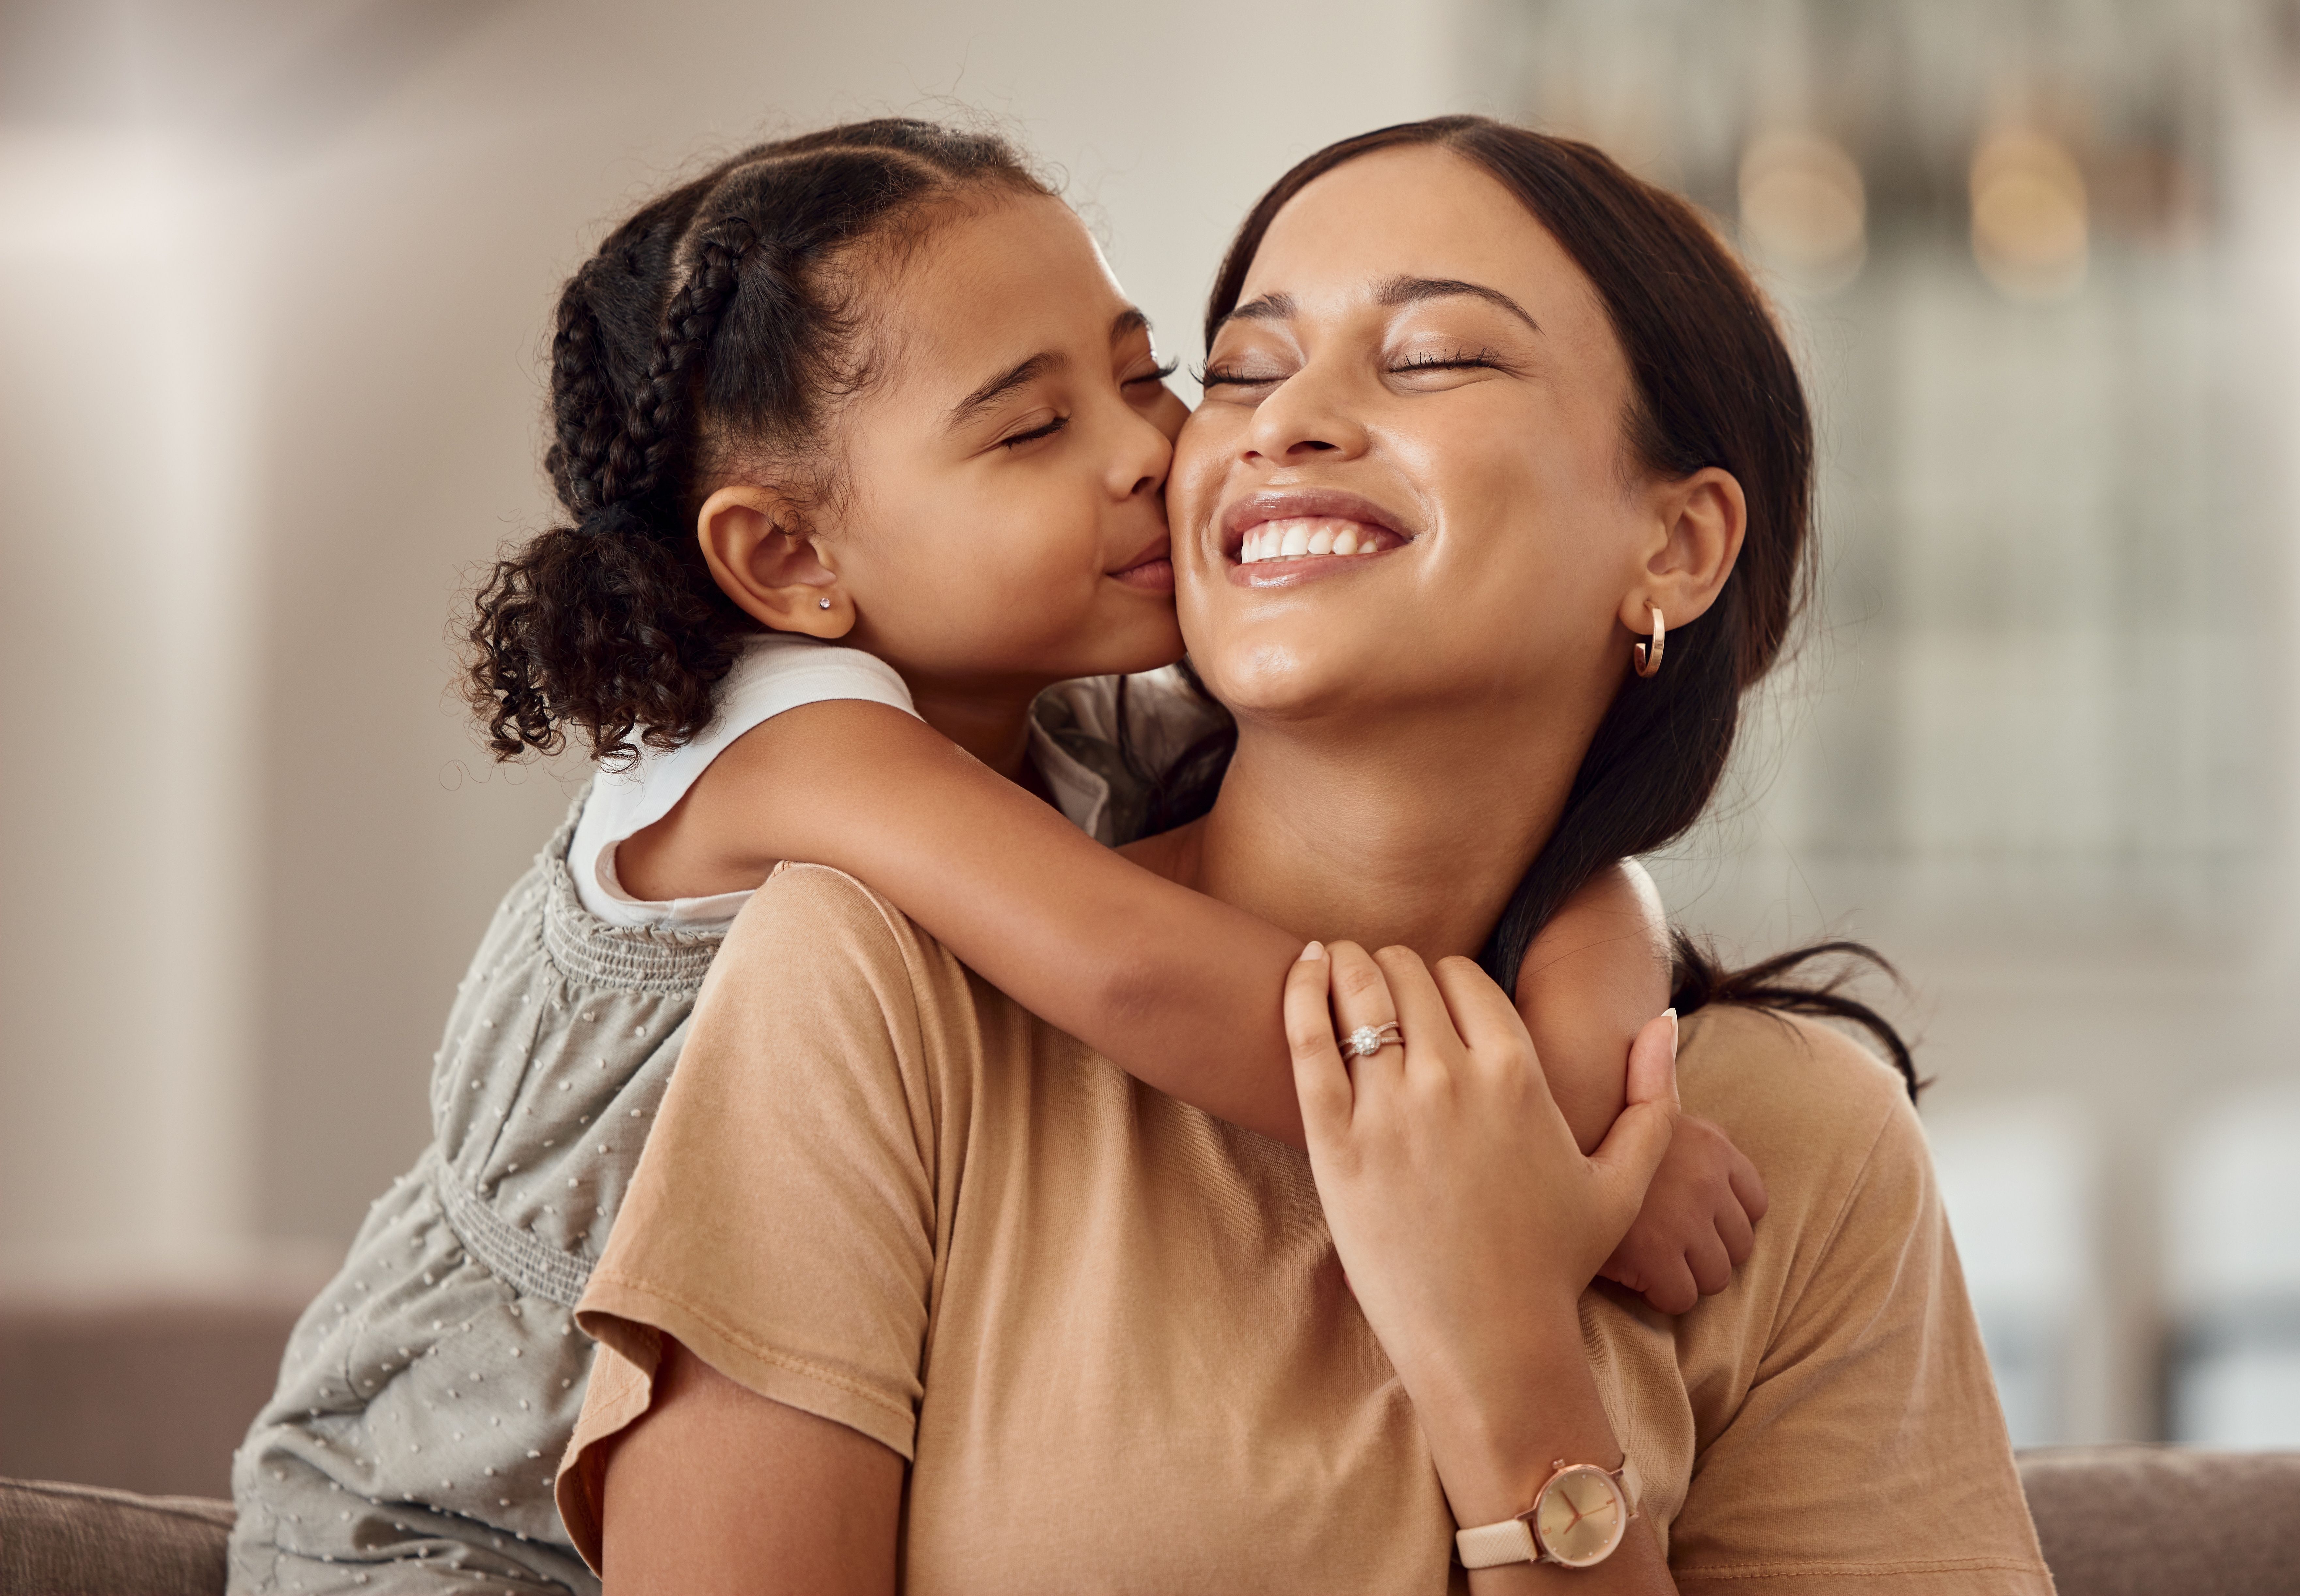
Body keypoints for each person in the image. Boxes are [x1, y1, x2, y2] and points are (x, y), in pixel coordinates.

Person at [229, 118, 1759, 1596]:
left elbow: (1541, 861)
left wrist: (1590, 1019)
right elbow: (1143, 969)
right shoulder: (792, 747)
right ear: (789, 560)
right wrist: (1536, 1158)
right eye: (1031, 428)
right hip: (437, 1527)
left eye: (1149, 374)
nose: (1148, 453)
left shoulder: (1081, 724)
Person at [556, 117, 2054, 1593]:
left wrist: (1508, 1371)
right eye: (1247, 368)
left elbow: (1585, 882)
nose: (1275, 423)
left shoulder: (1799, 1147)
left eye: (1434, 356)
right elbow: (1133, 966)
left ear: (1674, 545)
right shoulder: (873, 977)